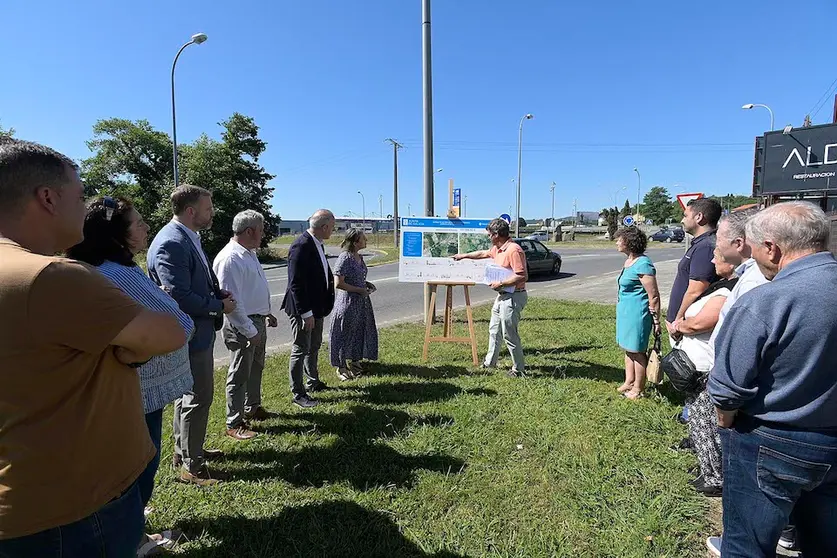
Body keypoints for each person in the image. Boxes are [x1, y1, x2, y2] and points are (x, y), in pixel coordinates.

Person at [0, 139, 185, 555]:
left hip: (25, 496)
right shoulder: (52, 276)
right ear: (47, 198)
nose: (85, 209)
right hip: (77, 506)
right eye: (80, 195)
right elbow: (170, 333)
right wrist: (126, 350)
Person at [66, 196, 194, 555]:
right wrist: (165, 306)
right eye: (138, 223)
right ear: (114, 234)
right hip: (140, 391)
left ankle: (133, 520)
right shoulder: (118, 272)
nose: (146, 227)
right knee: (141, 461)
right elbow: (181, 325)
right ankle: (135, 536)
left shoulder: (90, 269)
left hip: (123, 387)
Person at [708, 201, 837, 558]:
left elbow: (726, 390)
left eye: (754, 247)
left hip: (769, 441)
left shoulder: (765, 301)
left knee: (747, 546)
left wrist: (729, 424)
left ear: (772, 248)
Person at [147, 185, 237, 486]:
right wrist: (217, 305)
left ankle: (185, 451)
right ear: (191, 211)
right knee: (199, 396)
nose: (212, 213)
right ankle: (193, 466)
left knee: (190, 394)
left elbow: (194, 282)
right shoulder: (172, 242)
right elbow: (179, 297)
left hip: (196, 331)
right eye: (208, 208)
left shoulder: (187, 237)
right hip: (190, 332)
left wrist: (215, 291)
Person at [670, 246, 738, 497]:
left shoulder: (728, 290)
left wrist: (681, 325)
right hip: (697, 367)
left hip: (706, 368)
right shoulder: (724, 284)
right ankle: (706, 466)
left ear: (731, 262)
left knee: (706, 420)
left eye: (717, 257)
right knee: (699, 418)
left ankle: (714, 478)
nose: (712, 260)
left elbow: (702, 322)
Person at [213, 210, 278, 441]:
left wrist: (266, 313)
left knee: (256, 367)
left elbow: (253, 288)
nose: (263, 235)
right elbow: (232, 301)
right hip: (243, 325)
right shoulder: (231, 258)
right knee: (239, 372)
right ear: (249, 231)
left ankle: (253, 407)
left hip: (256, 320)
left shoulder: (248, 253)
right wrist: (250, 330)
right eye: (260, 230)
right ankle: (234, 421)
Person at [453, 218, 528, 377]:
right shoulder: (498, 248)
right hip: (503, 296)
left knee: (509, 334)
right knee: (494, 330)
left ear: (496, 234)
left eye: (489, 235)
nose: (488, 237)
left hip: (514, 296)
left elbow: (522, 276)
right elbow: (482, 253)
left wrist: (500, 283)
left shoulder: (513, 250)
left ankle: (518, 369)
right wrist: (463, 256)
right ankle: (490, 363)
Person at [282, 209, 336, 408]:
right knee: (300, 348)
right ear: (323, 227)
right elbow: (295, 283)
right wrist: (306, 313)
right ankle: (298, 393)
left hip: (317, 308)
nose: (333, 230)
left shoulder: (318, 244)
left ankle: (312, 382)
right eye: (332, 227)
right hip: (303, 311)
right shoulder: (301, 246)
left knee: (314, 346)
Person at [614, 227, 661, 399]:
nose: (617, 242)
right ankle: (629, 381)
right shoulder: (630, 261)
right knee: (628, 348)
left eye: (620, 239)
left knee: (637, 351)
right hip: (626, 312)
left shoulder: (643, 264)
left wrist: (656, 321)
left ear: (630, 242)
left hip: (638, 314)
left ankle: (638, 389)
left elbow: (653, 295)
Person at [666, 198, 723, 336]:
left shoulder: (706, 247)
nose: (682, 220)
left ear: (699, 217)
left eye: (685, 216)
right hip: (684, 324)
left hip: (687, 326)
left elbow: (696, 290)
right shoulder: (701, 244)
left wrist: (678, 321)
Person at [329, 228, 378, 381]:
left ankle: (355, 362)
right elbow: (338, 283)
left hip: (361, 302)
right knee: (344, 333)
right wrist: (359, 289)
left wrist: (367, 285)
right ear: (356, 241)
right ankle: (341, 366)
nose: (366, 241)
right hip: (348, 302)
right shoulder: (345, 257)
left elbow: (357, 277)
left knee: (358, 331)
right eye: (364, 239)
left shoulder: (359, 257)